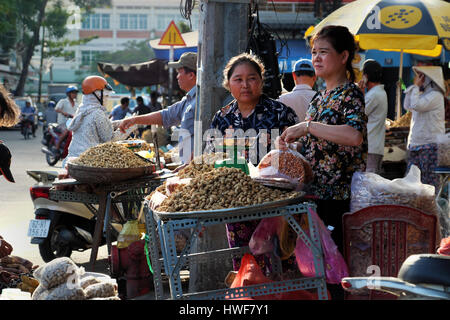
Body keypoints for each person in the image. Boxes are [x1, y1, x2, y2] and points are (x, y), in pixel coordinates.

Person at [277, 26, 367, 298]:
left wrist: (307, 127)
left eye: (323, 52)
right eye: (314, 52)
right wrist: (291, 148)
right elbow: (314, 143)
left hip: (339, 197)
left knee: (335, 270)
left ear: (343, 56)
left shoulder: (350, 94)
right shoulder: (319, 98)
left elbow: (353, 136)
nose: (316, 58)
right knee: (319, 268)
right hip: (316, 195)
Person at [209, 52, 299, 273]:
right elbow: (213, 157)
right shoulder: (222, 118)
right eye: (238, 79)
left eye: (251, 78)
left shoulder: (280, 112)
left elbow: (297, 154)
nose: (245, 85)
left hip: (277, 201)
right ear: (228, 84)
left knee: (281, 260)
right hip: (238, 201)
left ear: (260, 80)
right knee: (245, 263)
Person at [119, 52, 198, 164]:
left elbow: (209, 138)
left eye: (179, 72)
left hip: (195, 166)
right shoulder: (188, 100)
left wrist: (190, 163)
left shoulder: (202, 101)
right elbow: (166, 115)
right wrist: (134, 120)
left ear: (191, 75)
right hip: (187, 165)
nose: (177, 76)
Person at [66, 76, 131, 162]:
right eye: (106, 96)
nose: (107, 99)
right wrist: (131, 127)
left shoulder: (82, 108)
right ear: (97, 95)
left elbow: (102, 126)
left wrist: (122, 122)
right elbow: (110, 139)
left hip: (71, 160)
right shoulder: (97, 113)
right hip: (87, 162)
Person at [403, 65, 446, 192]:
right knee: (412, 181)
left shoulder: (436, 96)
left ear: (429, 80)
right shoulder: (423, 95)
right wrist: (412, 88)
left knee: (429, 183)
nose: (419, 79)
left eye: (422, 76)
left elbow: (416, 105)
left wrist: (415, 87)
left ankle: (432, 210)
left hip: (429, 145)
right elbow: (407, 105)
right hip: (416, 144)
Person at [358, 59, 388, 174]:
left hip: (371, 146)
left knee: (368, 183)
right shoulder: (377, 93)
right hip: (374, 146)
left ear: (366, 76)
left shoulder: (374, 94)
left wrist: (360, 93)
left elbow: (359, 114)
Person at [54, 86, 79, 153]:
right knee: (67, 131)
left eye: (76, 93)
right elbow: (57, 109)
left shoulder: (77, 104)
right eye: (73, 93)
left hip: (73, 123)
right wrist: (64, 113)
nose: (75, 94)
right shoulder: (63, 101)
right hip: (63, 123)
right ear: (68, 94)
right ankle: (57, 146)